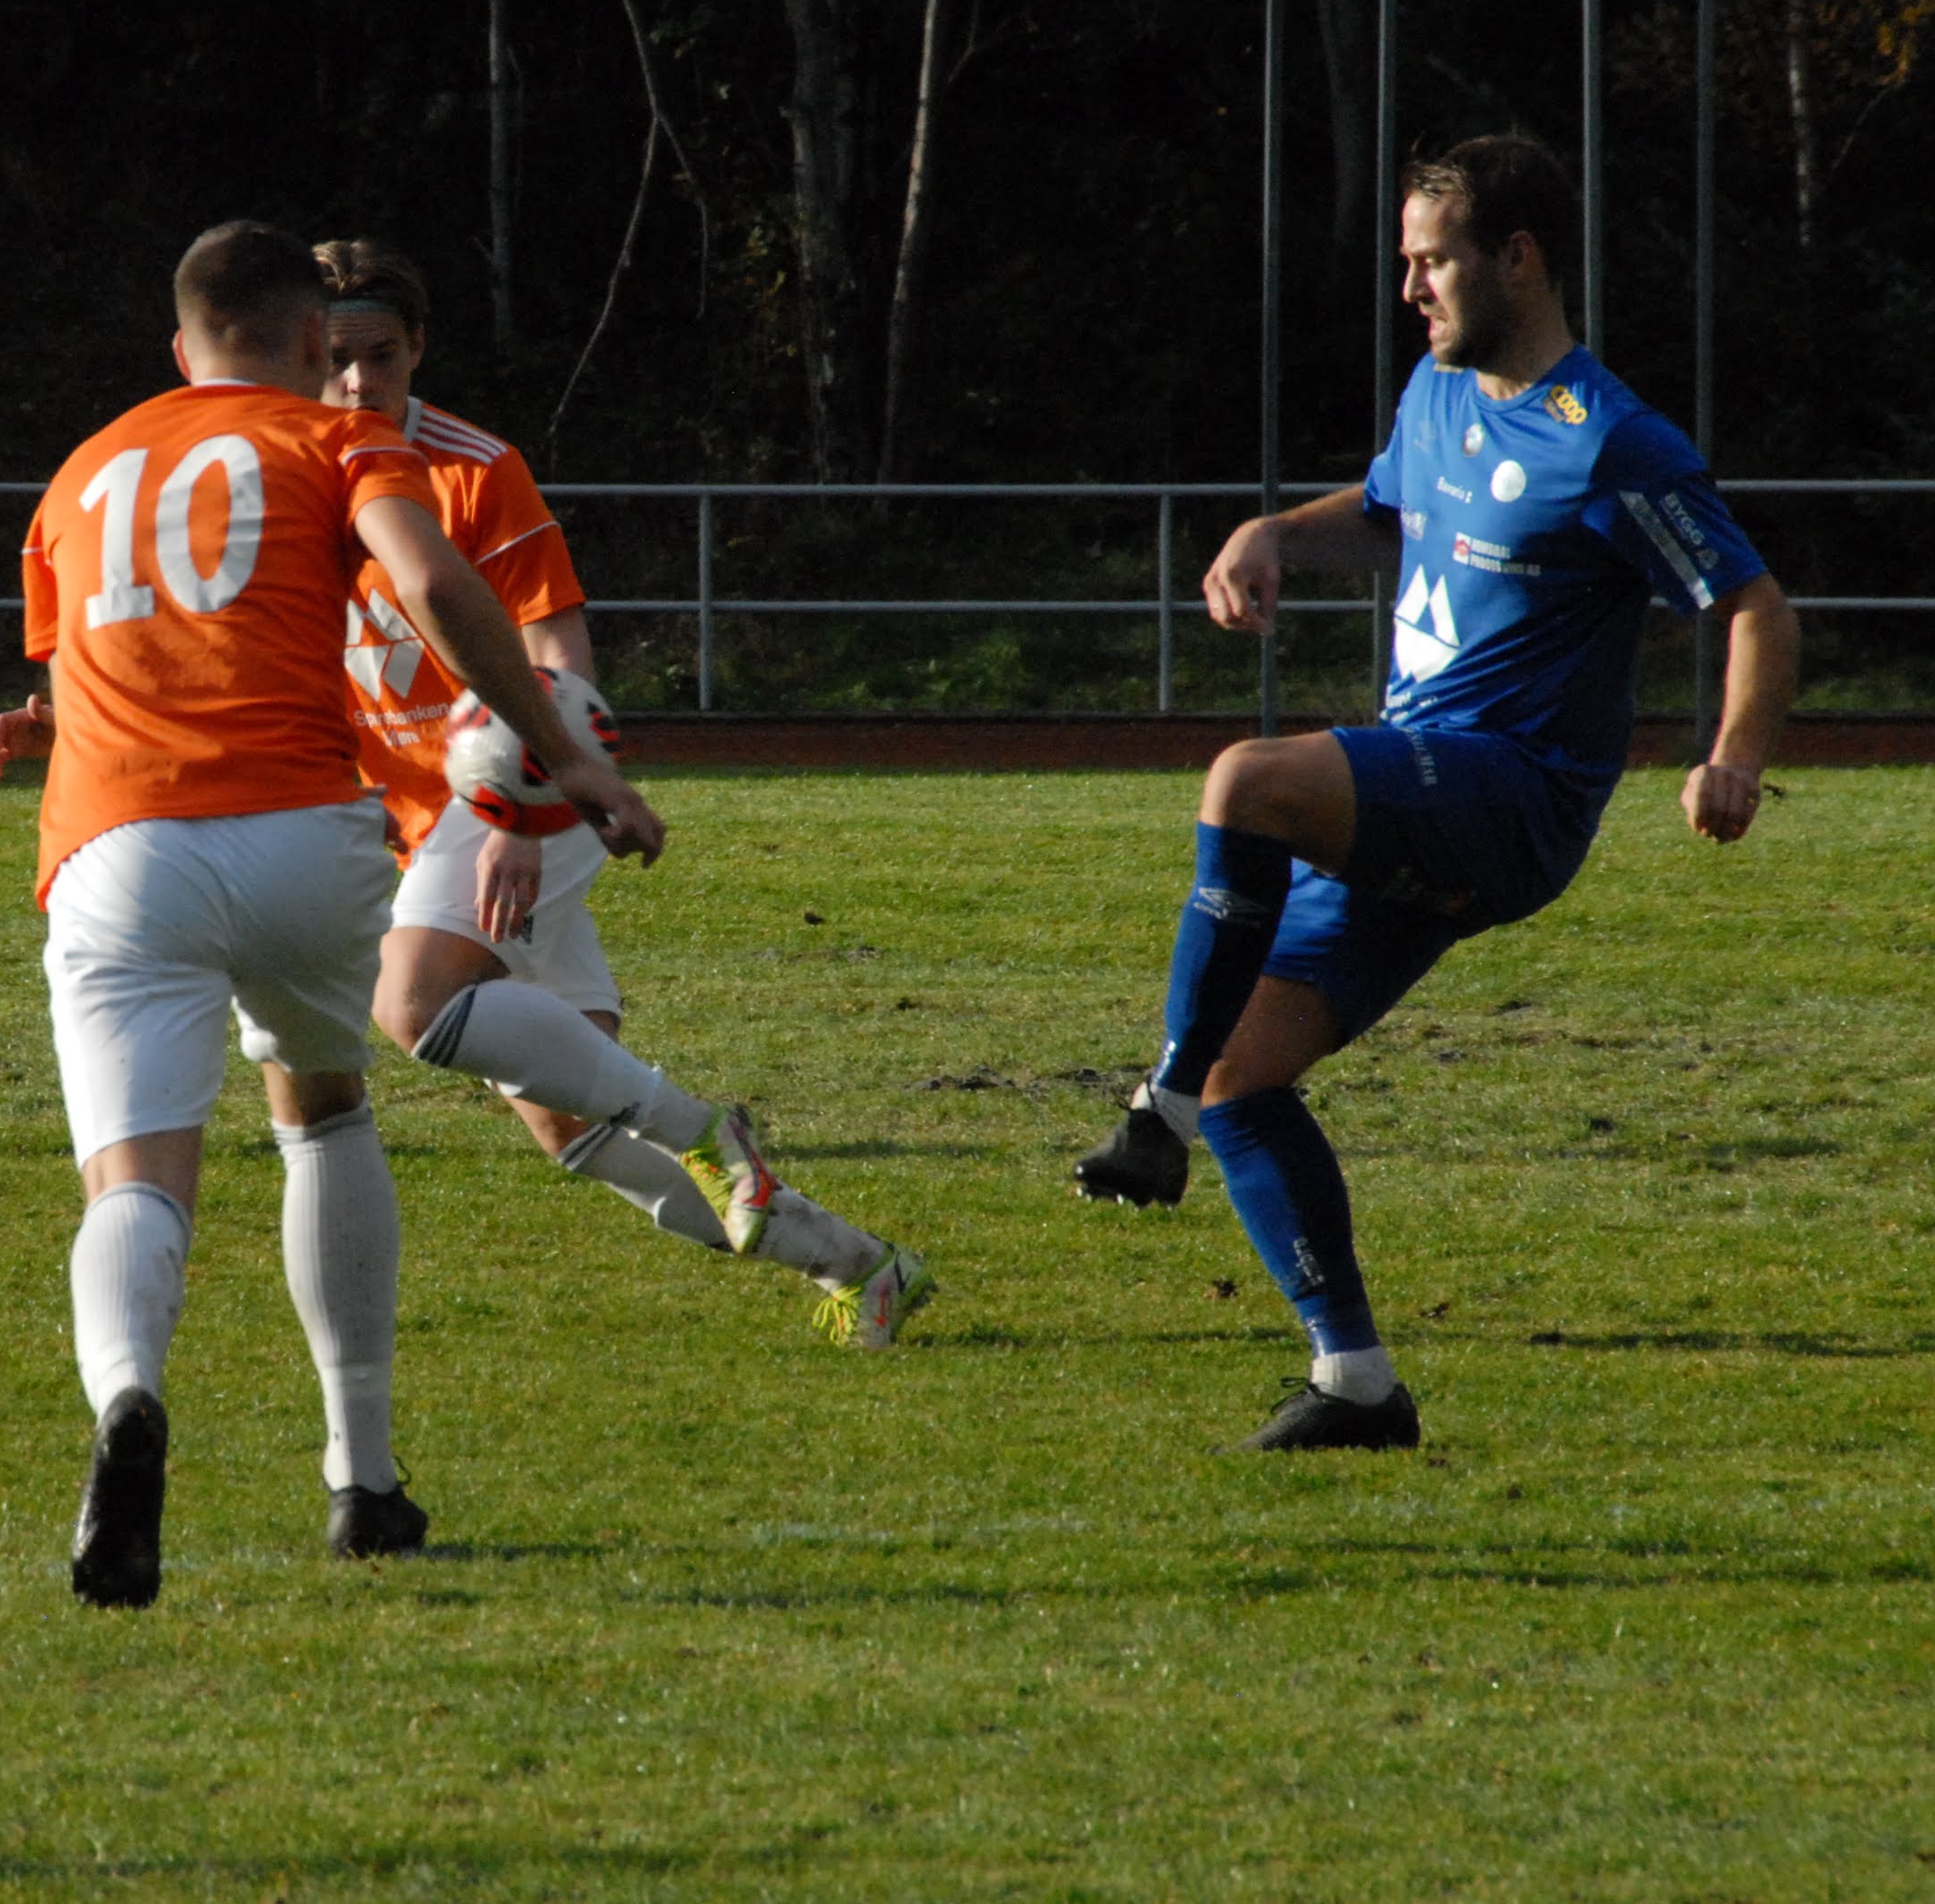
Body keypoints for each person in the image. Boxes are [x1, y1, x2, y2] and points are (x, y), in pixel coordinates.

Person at [0, 220, 680, 1609]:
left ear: (180, 350)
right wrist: (566, 755)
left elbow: (106, 662)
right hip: (302, 829)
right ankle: (361, 1477)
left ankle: (128, 1397)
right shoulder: (338, 439)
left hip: (116, 850)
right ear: (311, 340)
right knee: (328, 1110)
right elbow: (434, 583)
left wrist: (42, 720)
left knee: (135, 1183)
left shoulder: (79, 472)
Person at [1068, 133, 1797, 1451]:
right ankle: (1355, 1382)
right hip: (1417, 793)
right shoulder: (1436, 391)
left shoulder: (1611, 442)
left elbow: (1752, 605)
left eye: (1431, 261)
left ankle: (1151, 1112)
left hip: (1511, 795)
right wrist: (1272, 533)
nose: (1409, 287)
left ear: (1515, 259)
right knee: (1246, 1075)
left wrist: (1733, 756)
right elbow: (1392, 516)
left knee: (1247, 780)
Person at [306, 237, 934, 1346]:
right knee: (567, 1123)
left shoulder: (472, 468)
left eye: (381, 356)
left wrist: (520, 808)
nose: (358, 381)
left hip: (526, 787)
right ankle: (856, 1264)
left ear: (419, 350)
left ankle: (708, 1131)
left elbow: (557, 652)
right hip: (420, 821)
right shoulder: (288, 470)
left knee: (410, 1004)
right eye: (333, 358)